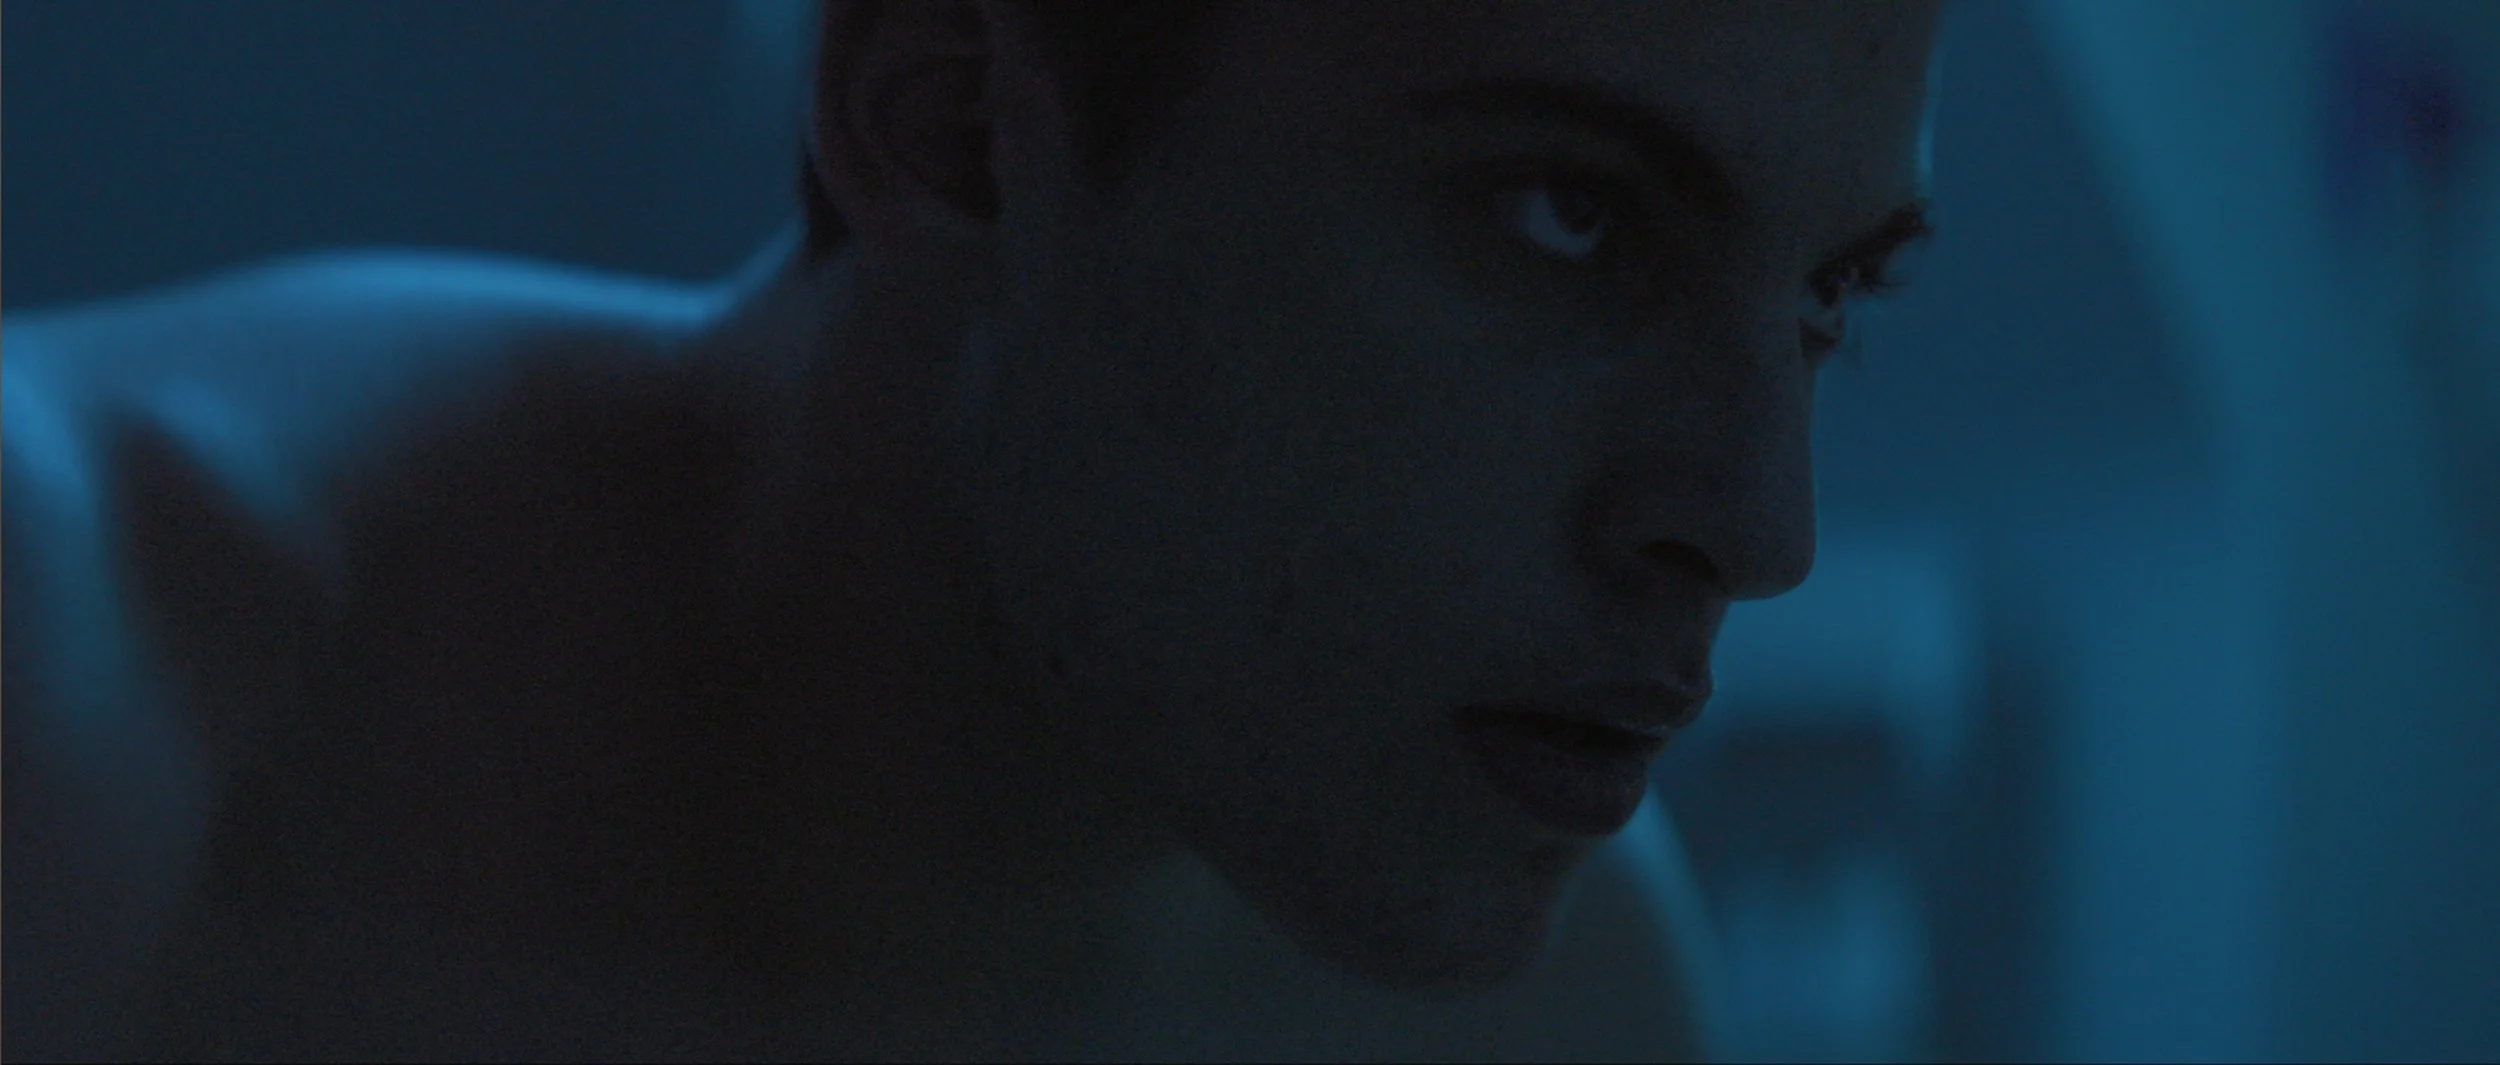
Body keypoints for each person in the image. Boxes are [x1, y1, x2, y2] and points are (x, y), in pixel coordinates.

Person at [2, 0, 1945, 1058]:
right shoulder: (69, 713)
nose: (1754, 525)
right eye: (1568, 215)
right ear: (948, 124)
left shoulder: (1565, 992)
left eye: (1828, 301)